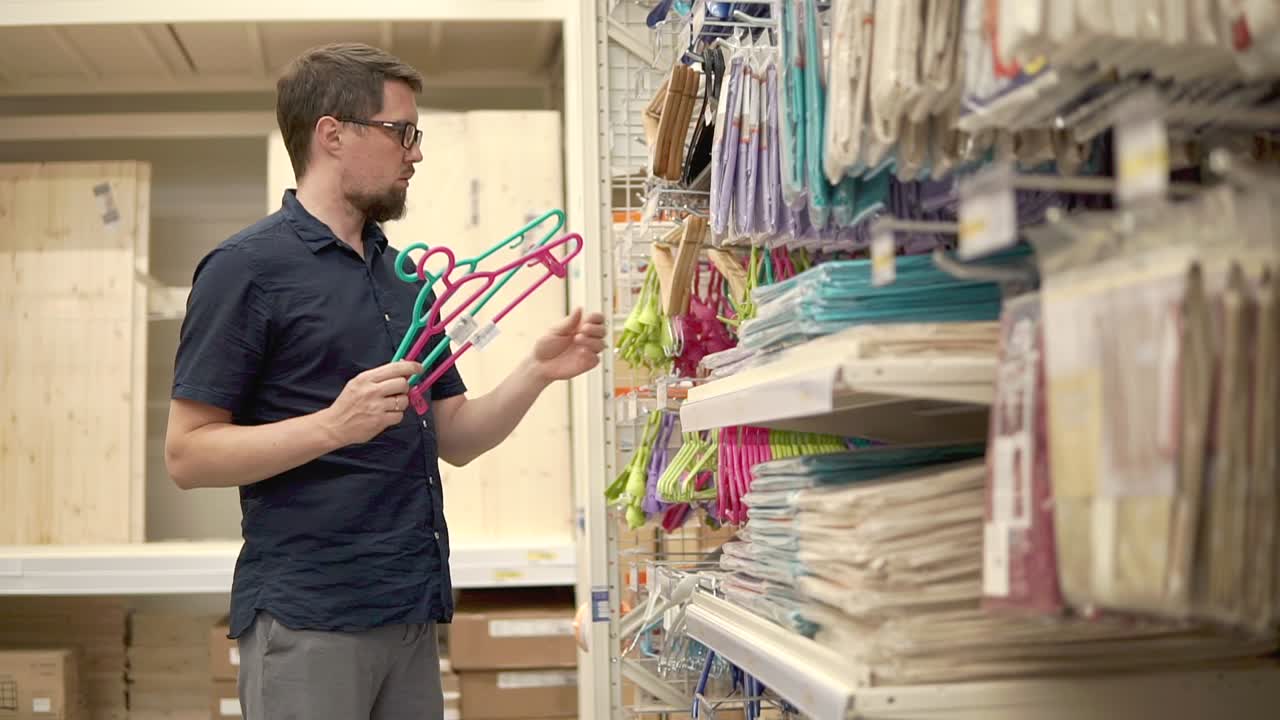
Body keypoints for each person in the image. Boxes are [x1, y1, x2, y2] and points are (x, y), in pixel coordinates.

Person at [164, 42, 606, 720]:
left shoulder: (406, 280)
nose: (415, 153)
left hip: (409, 612)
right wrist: (333, 426)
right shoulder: (245, 269)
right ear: (332, 134)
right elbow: (187, 455)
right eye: (402, 132)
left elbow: (454, 435)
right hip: (310, 619)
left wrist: (538, 372)